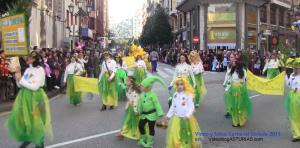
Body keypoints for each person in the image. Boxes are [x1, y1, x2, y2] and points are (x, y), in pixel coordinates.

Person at [7, 51, 52, 148]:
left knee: (37, 123)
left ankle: (37, 144)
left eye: (29, 57)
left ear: (34, 59)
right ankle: (29, 141)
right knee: (27, 123)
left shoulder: (40, 70)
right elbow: (20, 85)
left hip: (36, 99)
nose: (26, 58)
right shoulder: (28, 70)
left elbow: (34, 87)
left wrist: (21, 81)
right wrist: (17, 76)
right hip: (25, 99)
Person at [165, 77, 202, 148]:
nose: (179, 86)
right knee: (176, 133)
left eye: (181, 84)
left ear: (185, 85)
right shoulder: (175, 94)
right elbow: (173, 106)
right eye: (178, 84)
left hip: (186, 118)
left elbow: (191, 107)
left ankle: (185, 145)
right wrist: (168, 115)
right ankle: (177, 145)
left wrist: (188, 115)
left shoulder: (188, 94)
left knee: (185, 133)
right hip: (176, 118)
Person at [223, 57, 252, 127]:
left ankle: (241, 121)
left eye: (234, 63)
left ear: (238, 64)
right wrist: (226, 89)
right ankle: (235, 122)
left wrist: (243, 83)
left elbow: (246, 80)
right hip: (233, 90)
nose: (233, 63)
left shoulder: (243, 71)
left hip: (241, 90)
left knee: (240, 106)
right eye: (233, 63)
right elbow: (229, 81)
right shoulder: (232, 71)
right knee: (234, 106)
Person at [137, 76, 165, 148]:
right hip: (144, 115)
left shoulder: (153, 95)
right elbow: (140, 104)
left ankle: (150, 141)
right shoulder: (142, 95)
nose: (141, 87)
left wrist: (160, 113)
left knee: (151, 128)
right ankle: (144, 138)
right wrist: (138, 111)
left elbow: (157, 104)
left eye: (142, 86)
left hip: (152, 115)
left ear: (147, 87)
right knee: (140, 125)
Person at [117, 76, 141, 140]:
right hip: (129, 107)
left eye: (127, 81)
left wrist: (135, 110)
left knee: (132, 121)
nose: (126, 82)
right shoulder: (129, 87)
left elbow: (136, 100)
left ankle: (136, 133)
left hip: (133, 108)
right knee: (126, 120)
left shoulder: (134, 91)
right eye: (126, 80)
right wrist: (120, 83)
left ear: (132, 82)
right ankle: (122, 133)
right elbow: (124, 87)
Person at [285, 62, 300, 142]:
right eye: (295, 68)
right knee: (294, 116)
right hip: (293, 97)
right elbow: (288, 85)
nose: (296, 69)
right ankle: (296, 135)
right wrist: (286, 77)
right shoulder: (292, 76)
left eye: (298, 68)